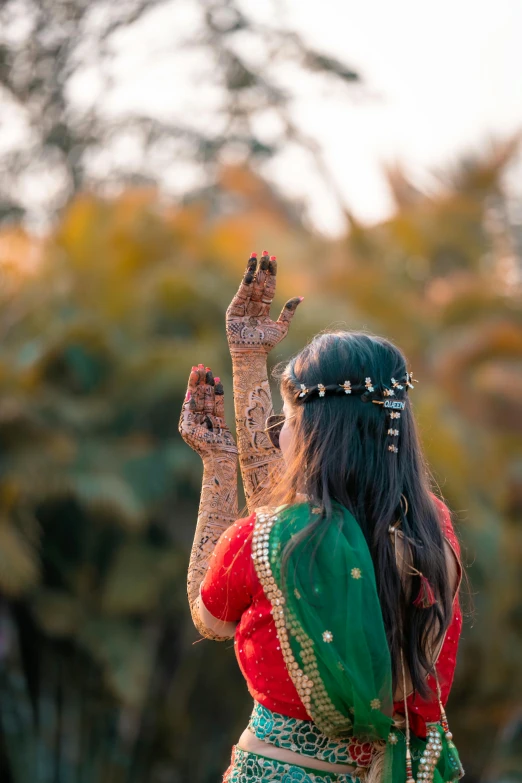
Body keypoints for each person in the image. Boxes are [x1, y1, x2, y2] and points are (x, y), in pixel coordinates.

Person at [179, 251, 465, 783]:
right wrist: (247, 361)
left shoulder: (267, 540)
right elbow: (291, 511)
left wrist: (218, 469)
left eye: (286, 419)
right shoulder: (433, 530)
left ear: (313, 435)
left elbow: (210, 613)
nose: (276, 433)